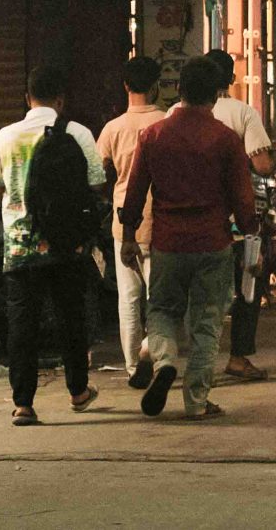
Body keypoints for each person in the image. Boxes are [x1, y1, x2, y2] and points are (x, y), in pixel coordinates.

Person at [120, 57, 259, 420]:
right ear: (215, 95)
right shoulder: (226, 140)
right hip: (213, 242)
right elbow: (243, 199)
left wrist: (129, 237)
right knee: (207, 322)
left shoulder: (153, 136)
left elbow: (134, 194)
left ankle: (165, 360)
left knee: (162, 311)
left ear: (178, 90)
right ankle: (196, 401)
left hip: (167, 242)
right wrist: (251, 233)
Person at [0, 65, 105, 427]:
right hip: (67, 246)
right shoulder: (78, 133)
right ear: (60, 100)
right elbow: (96, 182)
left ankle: (23, 404)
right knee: (71, 318)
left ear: (26, 97)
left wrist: (17, 191)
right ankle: (78, 391)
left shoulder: (6, 136)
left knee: (22, 325)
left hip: (20, 249)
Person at [174, 49, 274, 381]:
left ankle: (186, 361)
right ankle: (239, 356)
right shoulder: (243, 112)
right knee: (247, 284)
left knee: (198, 294)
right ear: (229, 79)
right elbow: (262, 165)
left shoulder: (174, 113)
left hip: (185, 220)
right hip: (236, 218)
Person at [97, 56, 165, 390]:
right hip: (160, 221)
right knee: (160, 298)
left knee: (129, 298)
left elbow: (98, 174)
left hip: (123, 221)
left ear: (126, 86)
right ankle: (154, 355)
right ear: (156, 85)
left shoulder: (113, 128)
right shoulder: (166, 123)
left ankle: (131, 366)